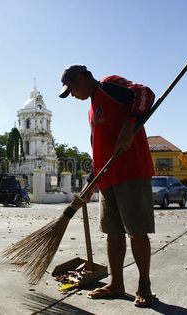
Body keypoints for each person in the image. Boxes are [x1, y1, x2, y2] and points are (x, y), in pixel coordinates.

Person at [59, 65, 156, 307]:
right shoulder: (91, 111)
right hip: (107, 178)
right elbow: (97, 151)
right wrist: (91, 181)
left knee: (136, 230)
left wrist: (129, 126)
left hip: (131, 171)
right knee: (113, 232)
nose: (72, 95)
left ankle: (144, 285)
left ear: (81, 78)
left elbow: (145, 94)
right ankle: (116, 283)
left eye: (71, 89)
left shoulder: (108, 85)